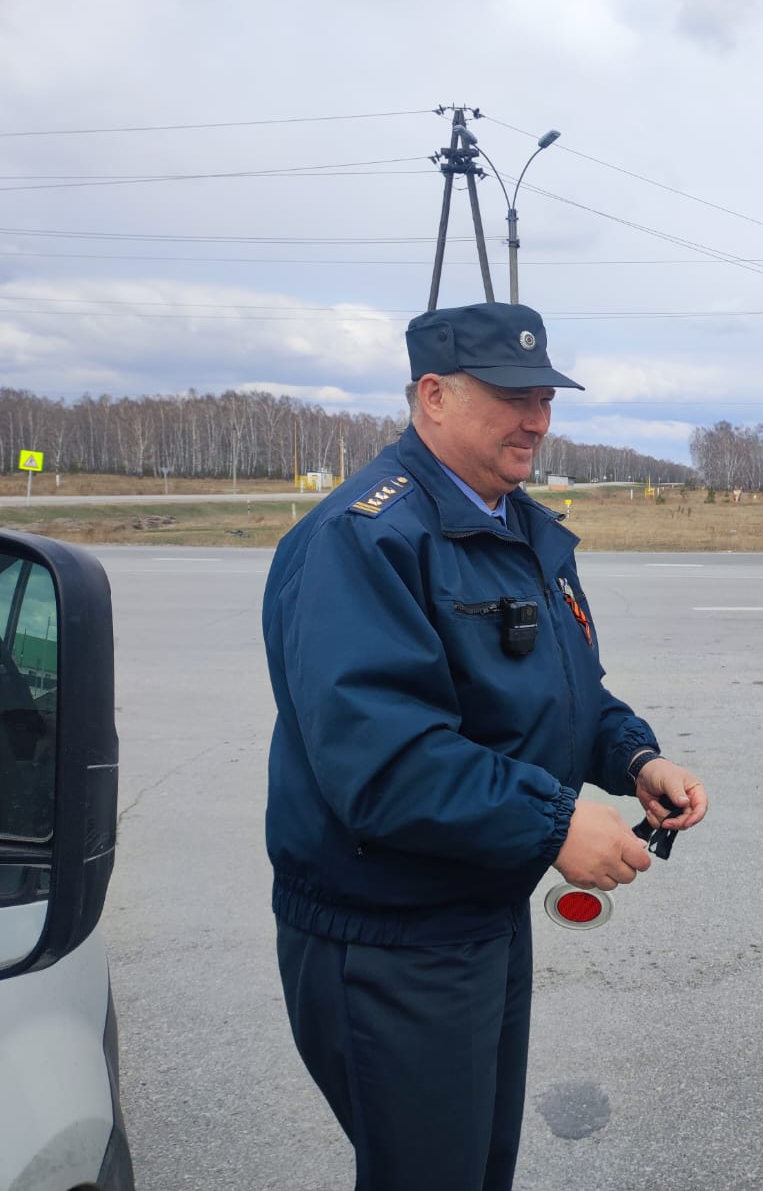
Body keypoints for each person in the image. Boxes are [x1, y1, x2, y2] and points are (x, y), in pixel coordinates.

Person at [262, 301, 708, 1191]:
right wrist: (554, 824)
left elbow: (560, 691)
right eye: (512, 396)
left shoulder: (514, 527)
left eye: (544, 395)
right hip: (391, 937)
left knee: (474, 1170)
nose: (537, 419)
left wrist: (632, 758)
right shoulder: (366, 537)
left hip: (478, 913)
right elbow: (385, 762)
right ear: (433, 396)